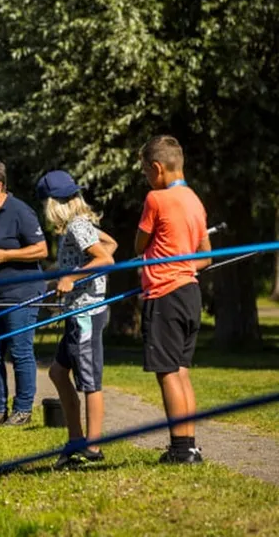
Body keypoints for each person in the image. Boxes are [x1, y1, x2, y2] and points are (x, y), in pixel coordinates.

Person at [135, 135, 211, 464]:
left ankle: (180, 450)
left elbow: (139, 245)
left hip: (164, 293)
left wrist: (167, 264)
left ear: (157, 168)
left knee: (166, 372)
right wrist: (181, 264)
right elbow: (206, 256)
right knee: (180, 370)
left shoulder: (156, 199)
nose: (146, 179)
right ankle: (189, 445)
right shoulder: (195, 200)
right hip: (190, 292)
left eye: (145, 172)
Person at [36, 170, 117, 468]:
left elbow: (105, 259)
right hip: (76, 310)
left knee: (89, 380)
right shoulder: (80, 225)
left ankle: (92, 449)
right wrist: (57, 284)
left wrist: (71, 277)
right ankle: (75, 439)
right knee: (58, 373)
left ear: (52, 204)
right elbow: (111, 244)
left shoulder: (77, 227)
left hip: (85, 313)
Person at [0, 159, 49, 427]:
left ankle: (23, 410)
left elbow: (41, 249)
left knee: (20, 352)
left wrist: (6, 255)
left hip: (21, 292)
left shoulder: (20, 212)